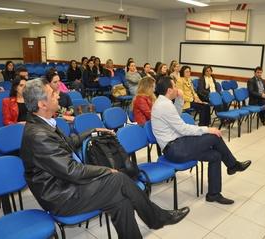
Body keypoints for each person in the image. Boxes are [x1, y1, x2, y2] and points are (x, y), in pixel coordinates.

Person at [20, 78, 190, 239]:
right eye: (52, 94)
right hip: (62, 197)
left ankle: (154, 220)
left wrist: (94, 130)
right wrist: (106, 170)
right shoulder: (38, 135)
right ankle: (157, 218)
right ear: (42, 104)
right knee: (118, 178)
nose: (58, 94)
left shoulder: (43, 123)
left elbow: (69, 143)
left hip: (68, 184)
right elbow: (72, 171)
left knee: (120, 201)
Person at [151, 76, 251, 204]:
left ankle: (214, 194)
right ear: (169, 90)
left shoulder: (164, 102)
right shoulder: (164, 105)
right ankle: (233, 165)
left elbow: (176, 117)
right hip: (175, 149)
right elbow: (182, 128)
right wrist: (207, 129)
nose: (177, 89)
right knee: (214, 136)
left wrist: (180, 99)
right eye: (175, 86)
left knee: (215, 155)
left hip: (179, 145)